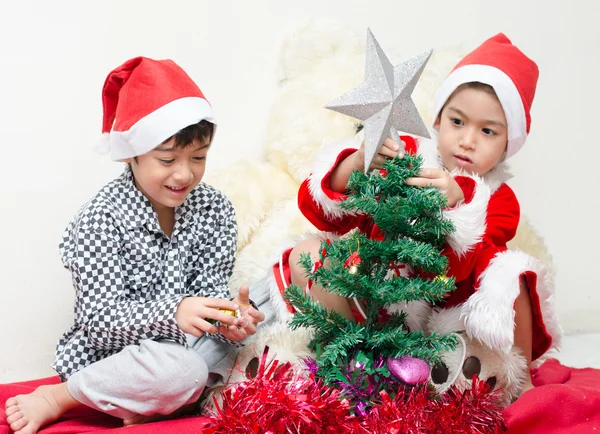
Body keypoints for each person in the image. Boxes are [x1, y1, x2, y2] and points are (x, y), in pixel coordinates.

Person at [272, 33, 560, 395]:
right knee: (307, 255)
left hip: (440, 332)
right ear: (439, 119)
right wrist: (358, 164)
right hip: (371, 304)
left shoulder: (498, 200)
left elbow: (458, 271)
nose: (468, 140)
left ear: (508, 143)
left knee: (515, 271)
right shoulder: (406, 154)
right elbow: (322, 211)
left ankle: (511, 384)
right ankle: (354, 365)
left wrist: (457, 204)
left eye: (487, 131)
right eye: (457, 122)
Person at [5, 57, 266, 434]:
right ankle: (60, 398)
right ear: (132, 153)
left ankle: (161, 400)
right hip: (117, 360)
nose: (184, 173)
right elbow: (97, 324)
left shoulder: (216, 208)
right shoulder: (102, 217)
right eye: (167, 159)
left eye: (198, 158)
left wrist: (229, 320)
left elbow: (209, 296)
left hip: (189, 348)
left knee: (272, 297)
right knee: (182, 371)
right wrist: (173, 313)